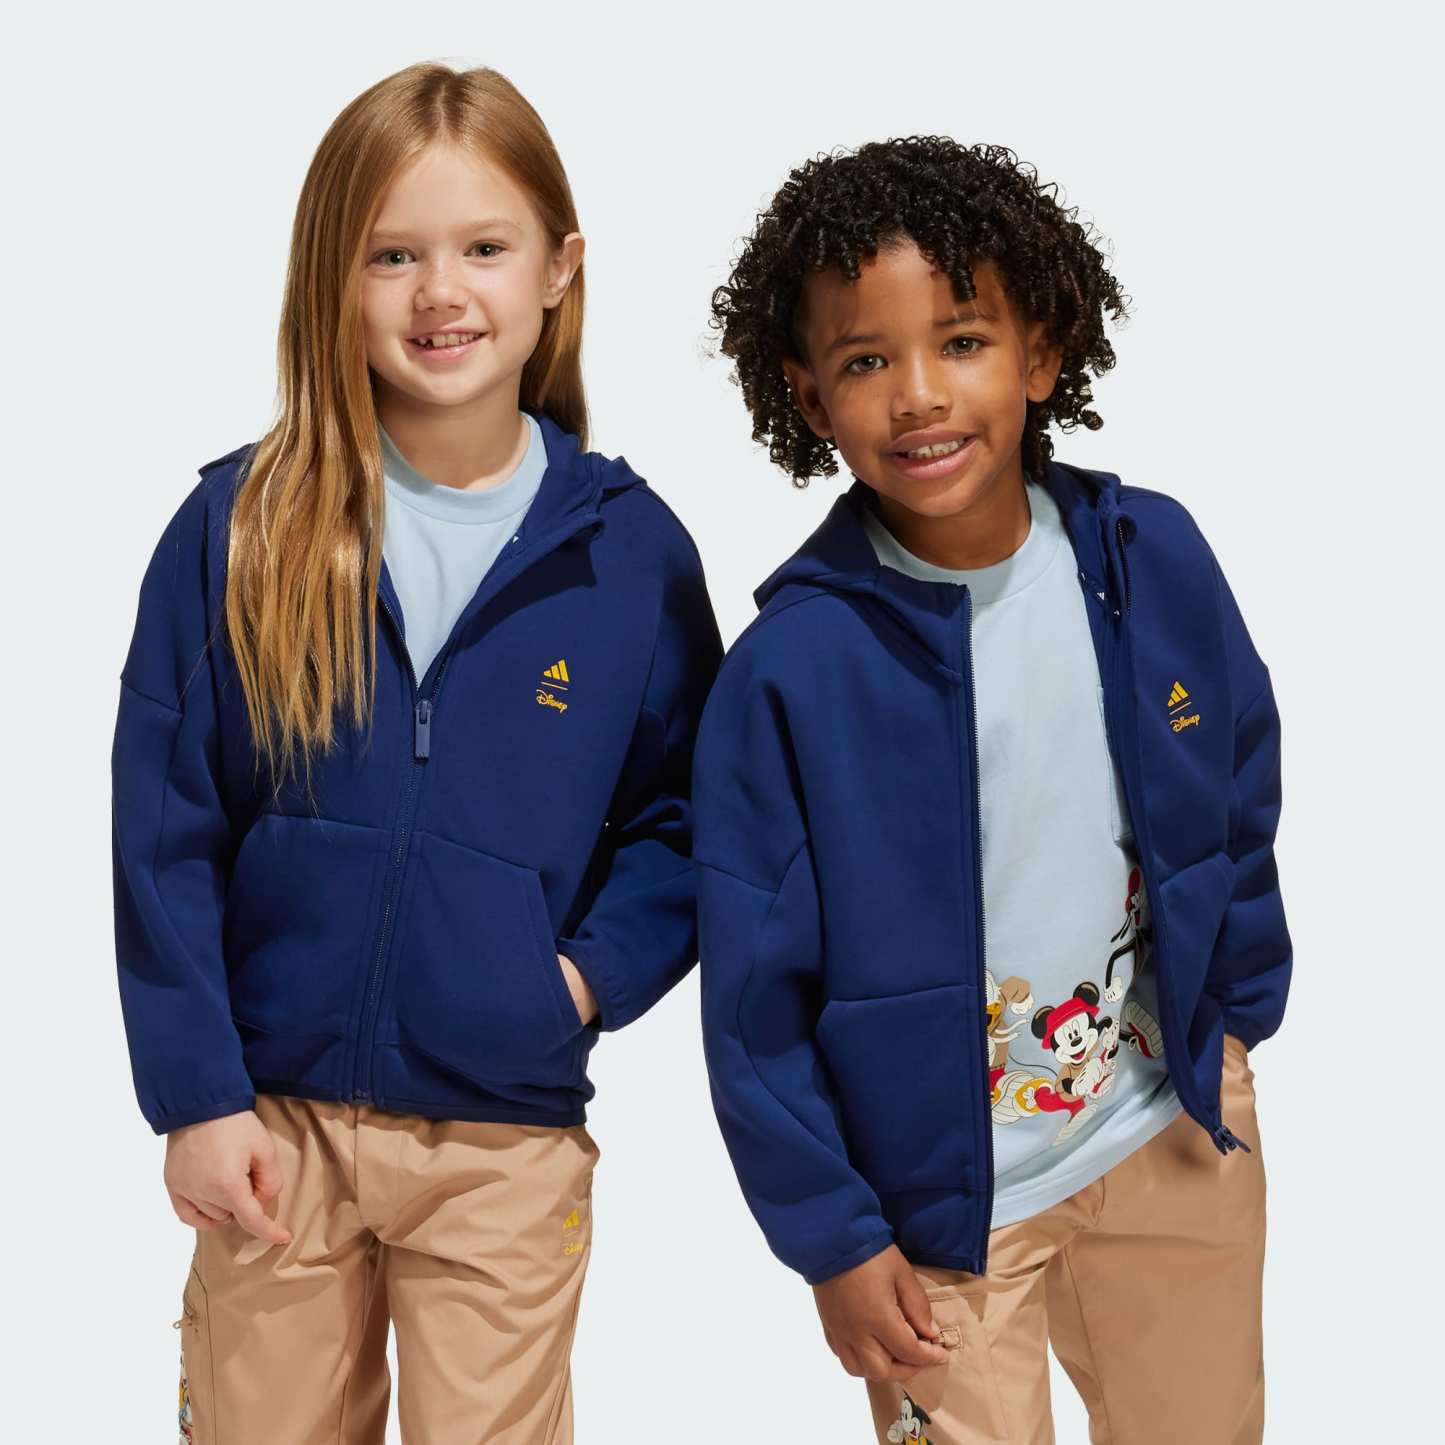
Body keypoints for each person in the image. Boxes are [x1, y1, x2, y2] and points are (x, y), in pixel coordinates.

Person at [111, 61, 720, 1444]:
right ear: (331, 277)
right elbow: (166, 827)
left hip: (502, 1137)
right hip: (269, 1129)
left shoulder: (630, 556)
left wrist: (576, 981)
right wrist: (198, 1095)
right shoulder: (241, 527)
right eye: (392, 256)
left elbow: (693, 821)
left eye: (483, 249)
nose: (440, 292)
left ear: (559, 268)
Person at [695, 137, 1290, 1443]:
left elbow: (1238, 776)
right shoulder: (789, 671)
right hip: (933, 1226)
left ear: (1040, 351)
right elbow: (751, 996)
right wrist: (834, 1236)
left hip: (1166, 1129)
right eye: (866, 360)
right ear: (807, 395)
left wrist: (1234, 1018)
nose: (919, 396)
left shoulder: (1150, 558)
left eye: (961, 341)